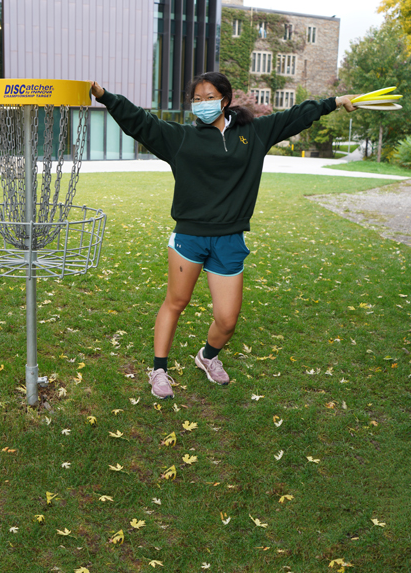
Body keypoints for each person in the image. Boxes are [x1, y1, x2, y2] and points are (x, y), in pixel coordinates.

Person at [90, 72, 357, 399]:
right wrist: (105, 95)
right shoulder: (182, 138)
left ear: (226, 100)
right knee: (176, 302)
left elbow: (294, 117)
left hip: (230, 239)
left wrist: (332, 102)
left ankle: (208, 356)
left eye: (209, 97)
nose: (203, 104)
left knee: (228, 320)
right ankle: (158, 369)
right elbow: (140, 122)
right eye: (197, 99)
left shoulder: (254, 133)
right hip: (190, 236)